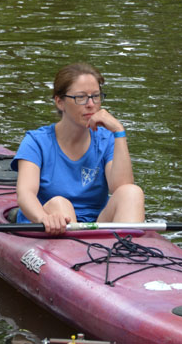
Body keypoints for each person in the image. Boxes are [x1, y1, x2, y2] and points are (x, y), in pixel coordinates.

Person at [12, 63, 145, 235]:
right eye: (81, 97)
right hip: (49, 223)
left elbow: (120, 188)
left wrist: (119, 132)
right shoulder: (36, 142)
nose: (91, 104)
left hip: (94, 225)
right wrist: (43, 218)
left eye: (96, 96)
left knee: (132, 192)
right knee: (60, 204)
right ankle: (80, 256)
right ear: (60, 102)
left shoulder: (106, 139)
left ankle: (126, 255)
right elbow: (25, 194)